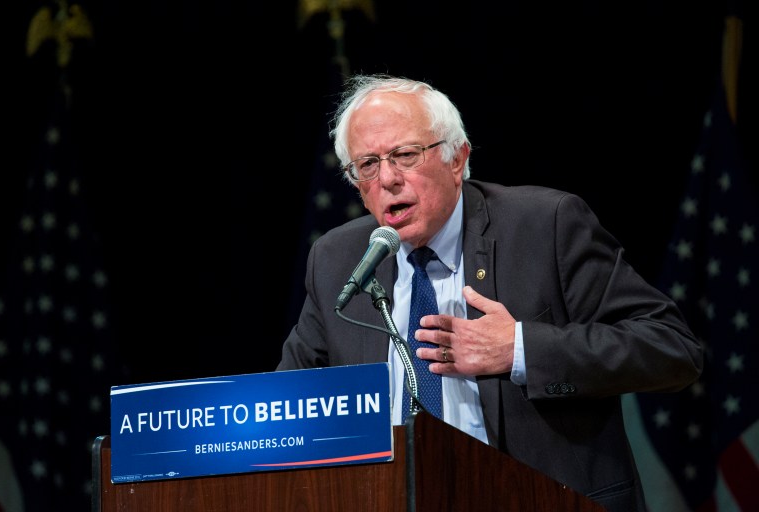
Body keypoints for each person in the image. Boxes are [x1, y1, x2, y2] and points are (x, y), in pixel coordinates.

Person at [277, 74, 703, 512]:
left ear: (456, 160)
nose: (387, 178)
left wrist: (518, 349)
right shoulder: (338, 260)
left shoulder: (545, 226)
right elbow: (282, 405)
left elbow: (671, 348)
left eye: (405, 155)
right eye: (367, 165)